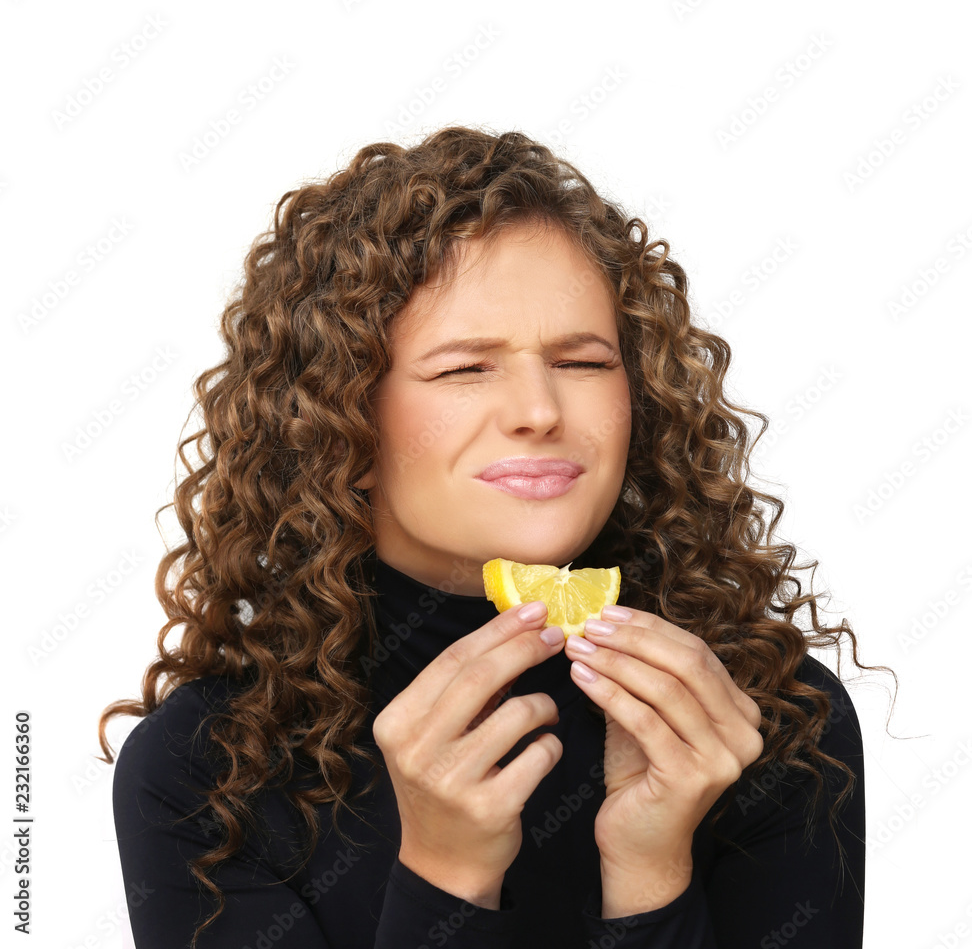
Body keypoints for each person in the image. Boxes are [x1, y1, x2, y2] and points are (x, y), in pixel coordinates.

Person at [97, 125, 892, 948]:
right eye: (465, 368)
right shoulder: (201, 774)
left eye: (583, 362)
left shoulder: (769, 721)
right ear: (338, 424)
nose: (540, 411)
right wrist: (446, 878)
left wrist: (650, 874)